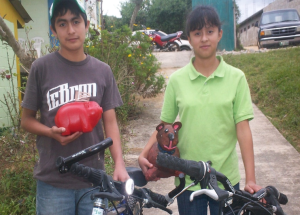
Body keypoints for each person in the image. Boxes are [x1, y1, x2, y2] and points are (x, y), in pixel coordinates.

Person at [138, 5, 262, 215]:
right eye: (197, 33)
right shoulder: (177, 80)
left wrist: (251, 179)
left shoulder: (236, 78)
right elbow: (164, 125)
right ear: (189, 38)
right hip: (188, 179)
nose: (204, 38)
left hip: (226, 180)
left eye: (210, 32)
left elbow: (243, 130)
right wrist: (143, 154)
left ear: (219, 34)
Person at [20, 0, 129, 214]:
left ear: (86, 25)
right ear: (53, 29)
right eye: (62, 24)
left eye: (76, 22)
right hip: (53, 182)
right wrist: (50, 133)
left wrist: (119, 163)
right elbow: (27, 120)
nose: (70, 30)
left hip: (93, 181)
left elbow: (110, 123)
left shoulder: (102, 71)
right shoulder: (41, 68)